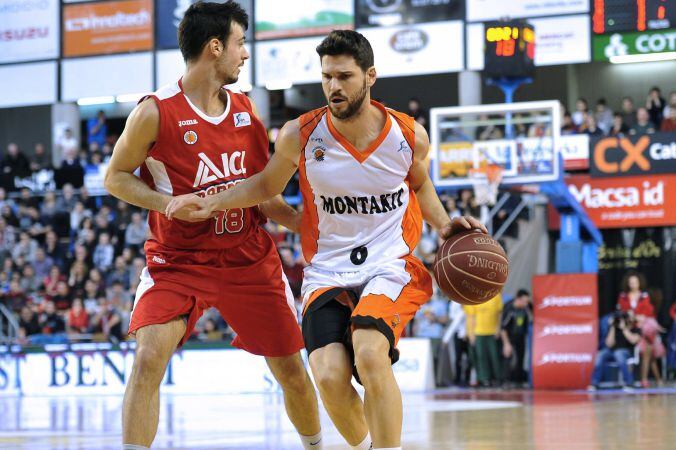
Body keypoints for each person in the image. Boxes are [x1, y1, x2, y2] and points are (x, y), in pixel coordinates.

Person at [165, 29, 486, 450]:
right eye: (327, 77)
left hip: (390, 264)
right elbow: (264, 186)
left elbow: (421, 186)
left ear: (371, 76)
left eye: (345, 77)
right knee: (330, 376)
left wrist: (444, 225)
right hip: (327, 270)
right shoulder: (301, 133)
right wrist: (213, 203)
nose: (334, 86)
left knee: (370, 354)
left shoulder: (408, 136)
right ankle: (368, 443)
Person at [103, 3, 322, 449]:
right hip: (178, 261)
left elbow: (264, 191)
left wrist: (303, 222)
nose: (244, 55)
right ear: (215, 47)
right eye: (240, 43)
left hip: (248, 258)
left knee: (293, 373)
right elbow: (115, 177)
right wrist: (166, 204)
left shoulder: (246, 110)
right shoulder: (155, 112)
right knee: (148, 359)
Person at [616, 272, 663, 388]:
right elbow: (620, 311)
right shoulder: (623, 296)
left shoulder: (644, 296)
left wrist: (636, 317)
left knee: (648, 352)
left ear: (639, 283)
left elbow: (648, 312)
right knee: (631, 354)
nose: (633, 284)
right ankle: (630, 380)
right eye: (631, 282)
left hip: (643, 329)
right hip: (628, 329)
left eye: (635, 282)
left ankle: (646, 379)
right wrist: (629, 316)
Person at [588, 311, 641, 391]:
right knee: (601, 354)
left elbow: (633, 340)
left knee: (618, 353)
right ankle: (594, 383)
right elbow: (609, 344)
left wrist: (624, 329)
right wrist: (612, 327)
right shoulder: (614, 328)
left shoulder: (635, 328)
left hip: (627, 352)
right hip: (611, 351)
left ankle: (629, 382)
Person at [465, 293, 504, 388]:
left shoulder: (495, 295)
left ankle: (497, 377)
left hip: (492, 331)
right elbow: (470, 317)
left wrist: (499, 328)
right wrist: (471, 333)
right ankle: (484, 379)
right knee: (481, 356)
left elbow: (500, 313)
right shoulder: (472, 296)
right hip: (478, 332)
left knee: (494, 355)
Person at [500, 290, 531, 387]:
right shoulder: (509, 308)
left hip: (521, 337)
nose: (526, 304)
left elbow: (530, 318)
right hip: (510, 337)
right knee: (508, 357)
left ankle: (519, 381)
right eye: (524, 301)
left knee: (520, 358)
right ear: (518, 299)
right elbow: (503, 328)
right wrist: (506, 344)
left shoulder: (526, 309)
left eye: (527, 302)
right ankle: (506, 381)